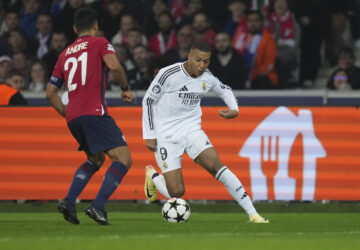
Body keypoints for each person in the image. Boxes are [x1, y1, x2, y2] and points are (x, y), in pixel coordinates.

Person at [142, 41, 269, 223]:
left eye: (206, 62)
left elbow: (224, 90)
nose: (202, 66)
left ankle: (253, 214)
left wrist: (234, 108)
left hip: (192, 130)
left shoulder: (207, 77)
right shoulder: (168, 74)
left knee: (218, 167)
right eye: (198, 60)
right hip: (167, 135)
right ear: (189, 57)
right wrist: (149, 134)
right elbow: (148, 100)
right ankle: (153, 176)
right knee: (176, 192)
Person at [46, 7, 134, 226]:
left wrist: (68, 114)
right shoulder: (100, 42)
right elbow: (114, 66)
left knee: (95, 159)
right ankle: (97, 206)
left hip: (73, 115)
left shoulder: (64, 54)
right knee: (123, 159)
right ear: (95, 25)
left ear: (75, 28)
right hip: (94, 111)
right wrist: (125, 87)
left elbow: (50, 93)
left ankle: (68, 200)